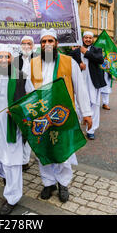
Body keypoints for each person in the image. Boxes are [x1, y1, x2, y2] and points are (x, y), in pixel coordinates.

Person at [27, 28, 93, 203]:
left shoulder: (68, 62)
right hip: (40, 116)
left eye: (50, 41)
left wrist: (86, 113)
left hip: (63, 115)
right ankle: (48, 183)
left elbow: (80, 88)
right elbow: (26, 90)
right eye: (44, 42)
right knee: (44, 150)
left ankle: (63, 183)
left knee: (63, 151)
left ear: (56, 43)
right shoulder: (32, 63)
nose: (47, 45)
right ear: (40, 45)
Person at [0, 44, 33, 215]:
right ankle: (10, 182)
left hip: (13, 127)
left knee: (12, 164)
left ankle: (12, 197)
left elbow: (32, 100)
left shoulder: (22, 77)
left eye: (7, 57)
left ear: (12, 59)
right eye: (0, 57)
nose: (3, 60)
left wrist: (19, 111)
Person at [69, 31, 106, 140]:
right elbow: (67, 60)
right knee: (78, 104)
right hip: (79, 82)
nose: (88, 40)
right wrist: (78, 64)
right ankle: (80, 125)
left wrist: (86, 52)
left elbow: (100, 59)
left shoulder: (97, 50)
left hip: (93, 82)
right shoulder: (75, 51)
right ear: (83, 38)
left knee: (93, 105)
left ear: (93, 39)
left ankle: (91, 130)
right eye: (86, 38)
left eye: (90, 38)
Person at [14, 35, 38, 171]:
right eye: (24, 43)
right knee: (19, 129)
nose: (26, 46)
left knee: (29, 129)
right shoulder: (15, 60)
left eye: (29, 43)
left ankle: (25, 160)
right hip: (19, 97)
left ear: (33, 45)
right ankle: (18, 157)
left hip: (34, 98)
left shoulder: (39, 59)